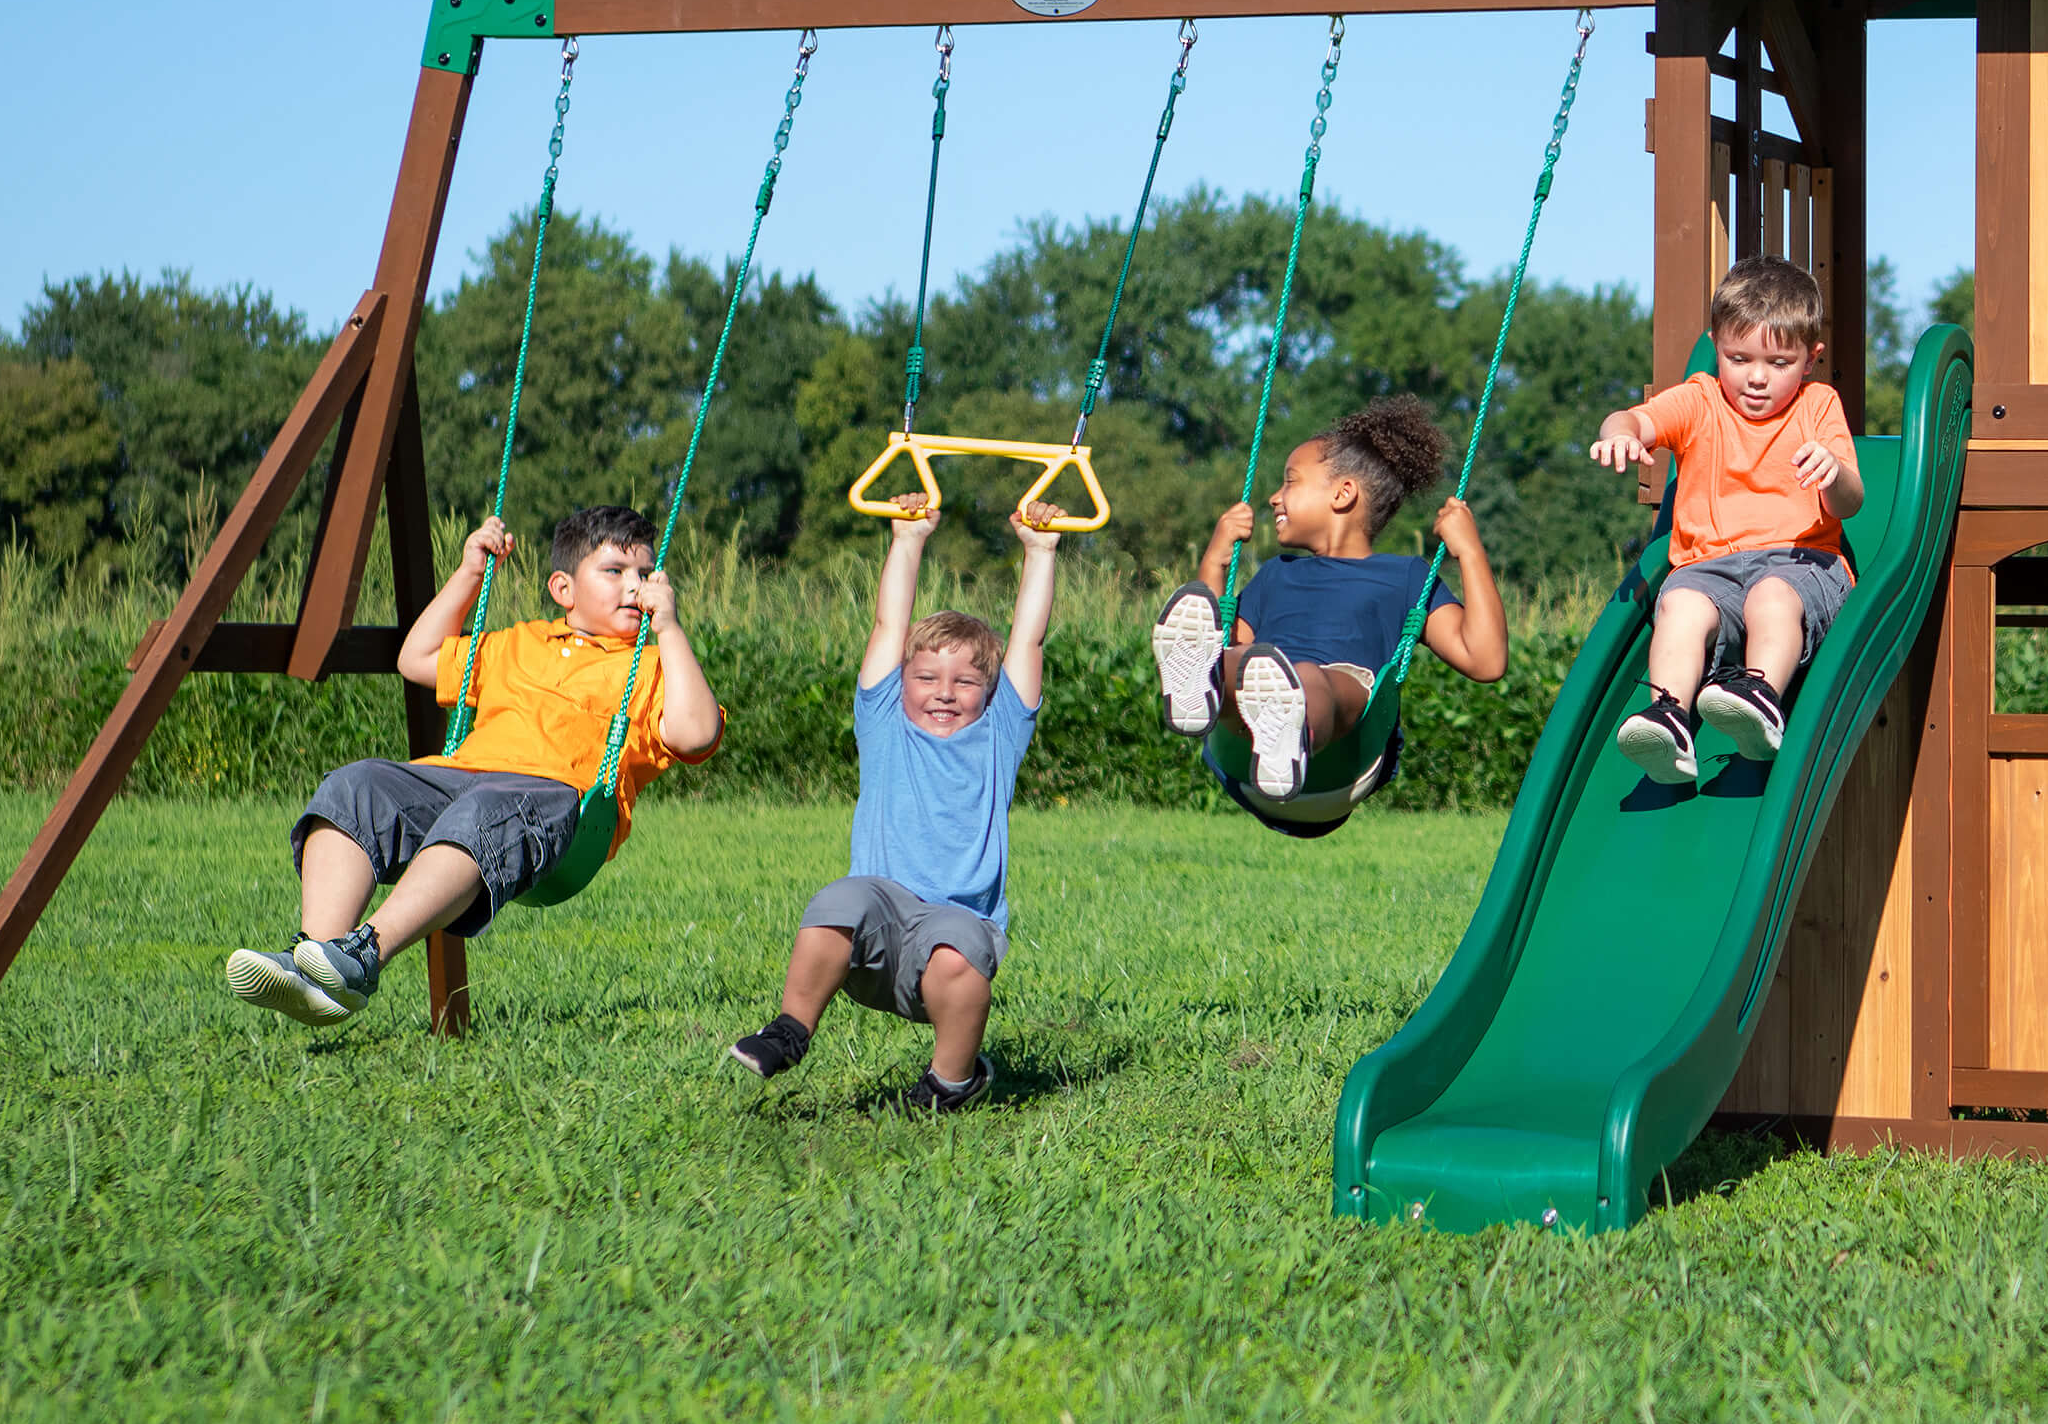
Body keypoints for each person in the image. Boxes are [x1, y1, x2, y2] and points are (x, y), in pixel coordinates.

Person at [225, 502, 725, 1024]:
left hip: (558, 799)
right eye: (615, 571)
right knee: (358, 785)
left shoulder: (651, 663)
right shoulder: (520, 643)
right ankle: (315, 964)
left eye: (646, 574)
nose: (635, 586)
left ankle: (364, 954)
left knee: (485, 809)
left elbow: (696, 734)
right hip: (460, 776)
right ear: (564, 589)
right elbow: (414, 659)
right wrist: (469, 574)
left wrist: (668, 630)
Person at [724, 495, 1065, 1110]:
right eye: (927, 678)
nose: (944, 693)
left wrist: (1040, 552)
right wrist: (907, 539)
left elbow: (1029, 638)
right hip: (875, 931)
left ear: (989, 692)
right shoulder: (883, 720)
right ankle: (790, 1029)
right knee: (840, 897)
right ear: (900, 682)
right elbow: (889, 626)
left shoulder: (999, 734)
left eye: (965, 682)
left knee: (958, 950)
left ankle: (949, 1083)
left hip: (955, 925)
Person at [1147, 395, 1509, 815]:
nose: (1274, 498)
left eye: (1290, 481)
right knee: (1238, 659)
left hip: (1340, 756)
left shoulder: (1406, 576)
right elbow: (1224, 637)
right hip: (1245, 750)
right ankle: (1207, 684)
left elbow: (1486, 660)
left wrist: (1469, 551)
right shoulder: (1274, 574)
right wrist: (1214, 558)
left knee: (1313, 678)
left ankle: (1292, 728)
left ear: (1343, 493)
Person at [1588, 256, 1861, 781]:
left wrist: (1834, 473)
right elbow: (1632, 419)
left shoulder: (1818, 405)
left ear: (1810, 359)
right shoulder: (1700, 400)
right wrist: (1617, 435)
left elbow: (1850, 503)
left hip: (1801, 564)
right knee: (1681, 603)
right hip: (1710, 569)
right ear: (1717, 346)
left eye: (1779, 363)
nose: (1757, 378)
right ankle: (1670, 716)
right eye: (1739, 358)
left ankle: (1759, 698)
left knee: (1771, 596)